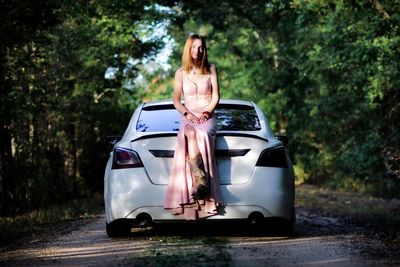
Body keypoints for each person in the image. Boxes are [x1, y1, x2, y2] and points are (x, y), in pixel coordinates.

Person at [164, 34, 223, 220]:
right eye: (194, 47)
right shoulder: (181, 72)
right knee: (188, 132)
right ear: (188, 50)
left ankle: (201, 184)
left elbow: (216, 97)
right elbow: (176, 100)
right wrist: (187, 114)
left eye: (201, 47)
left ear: (204, 50)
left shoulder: (211, 69)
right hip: (188, 115)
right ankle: (200, 180)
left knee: (203, 134)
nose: (197, 50)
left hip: (207, 114)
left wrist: (207, 112)